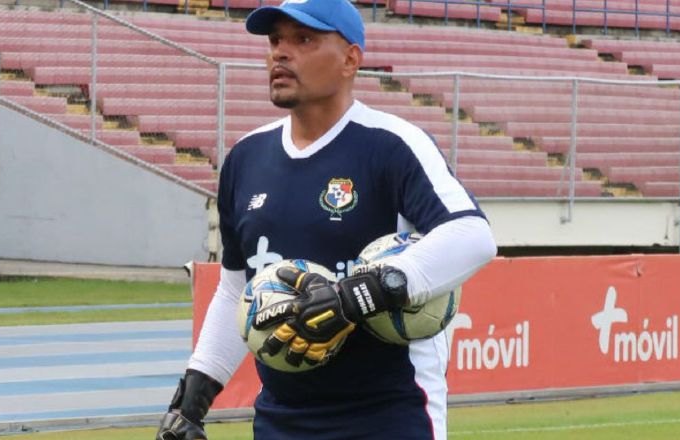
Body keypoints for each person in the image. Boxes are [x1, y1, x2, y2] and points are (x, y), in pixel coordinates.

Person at [156, 0, 497, 439]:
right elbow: (235, 290)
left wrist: (360, 293)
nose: (280, 52)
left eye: (304, 39)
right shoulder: (246, 158)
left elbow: (472, 235)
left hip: (390, 417)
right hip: (280, 422)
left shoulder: (392, 145)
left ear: (351, 59)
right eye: (275, 40)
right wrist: (193, 401)